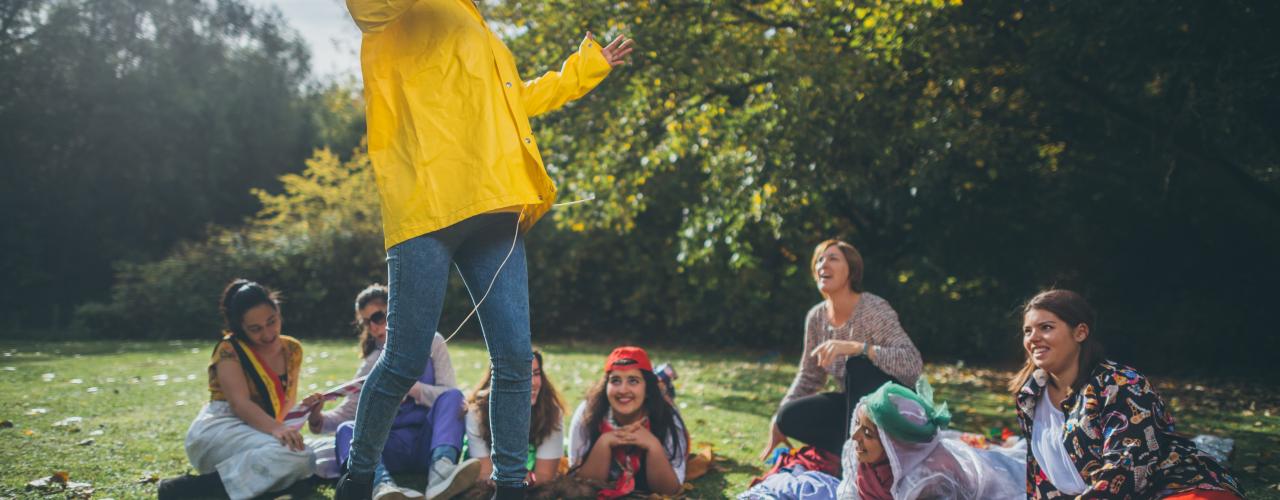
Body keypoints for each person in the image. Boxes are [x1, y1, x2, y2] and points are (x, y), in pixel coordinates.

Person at [336, 1, 634, 498]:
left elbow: (516, 99)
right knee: (405, 357)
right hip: (428, 206)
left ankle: (511, 488)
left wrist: (587, 66)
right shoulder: (400, 11)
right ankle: (360, 475)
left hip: (495, 208)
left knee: (515, 358)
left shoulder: (473, 21)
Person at [1011, 289, 1244, 499]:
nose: (1033, 338)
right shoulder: (1031, 395)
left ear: (1080, 332)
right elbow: (1040, 475)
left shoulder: (1120, 383)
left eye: (1047, 327)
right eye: (1027, 331)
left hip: (1177, 490)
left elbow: (1126, 469)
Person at [308, 284, 479, 500]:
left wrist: (414, 389)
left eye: (378, 317)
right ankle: (381, 486)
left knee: (454, 396)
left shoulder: (432, 343)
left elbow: (449, 397)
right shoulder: (371, 364)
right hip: (391, 446)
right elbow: (348, 414)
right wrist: (316, 417)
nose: (374, 327)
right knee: (346, 430)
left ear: (394, 310)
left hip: (429, 440)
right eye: (366, 322)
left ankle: (442, 472)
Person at [763, 239, 924, 459]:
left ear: (852, 271)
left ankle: (859, 462)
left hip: (895, 408)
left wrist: (858, 348)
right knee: (788, 416)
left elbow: (912, 363)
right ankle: (854, 454)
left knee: (857, 365)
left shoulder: (873, 308)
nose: (823, 264)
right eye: (819, 260)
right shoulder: (816, 317)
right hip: (855, 410)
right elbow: (809, 375)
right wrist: (778, 419)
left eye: (833, 258)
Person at [158, 279, 319, 500]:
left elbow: (282, 406)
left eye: (272, 321)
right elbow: (239, 403)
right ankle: (190, 490)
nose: (267, 334)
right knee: (297, 457)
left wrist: (305, 410)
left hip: (261, 429)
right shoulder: (229, 349)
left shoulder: (292, 349)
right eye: (255, 329)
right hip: (220, 428)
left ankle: (272, 486)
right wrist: (276, 429)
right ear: (240, 328)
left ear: (278, 312)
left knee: (308, 455)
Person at [833, 380, 1025, 499]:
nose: (855, 436)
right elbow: (848, 491)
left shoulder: (927, 478)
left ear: (894, 445)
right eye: (857, 424)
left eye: (868, 433)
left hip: (990, 475)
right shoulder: (857, 458)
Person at [568, 346, 688, 498]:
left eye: (633, 380)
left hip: (659, 402)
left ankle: (663, 380)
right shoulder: (588, 413)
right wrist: (604, 442)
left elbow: (671, 489)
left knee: (664, 393)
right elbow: (579, 483)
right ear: (606, 385)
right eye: (615, 380)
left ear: (647, 388)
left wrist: (653, 446)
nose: (623, 390)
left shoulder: (669, 418)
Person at [465, 350, 566, 486]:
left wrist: (525, 479)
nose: (532, 383)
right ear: (500, 380)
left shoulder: (551, 413)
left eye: (536, 374)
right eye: (523, 375)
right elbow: (485, 475)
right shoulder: (477, 413)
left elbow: (545, 478)